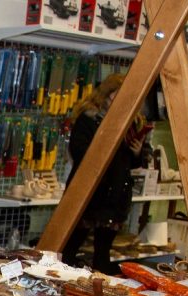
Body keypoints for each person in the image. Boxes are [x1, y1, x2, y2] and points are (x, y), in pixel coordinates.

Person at [62, 72, 148, 273]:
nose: (119, 101)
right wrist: (105, 143)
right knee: (70, 247)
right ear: (107, 94)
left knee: (102, 253)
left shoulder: (132, 122)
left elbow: (132, 162)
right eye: (116, 95)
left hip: (115, 194)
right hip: (89, 192)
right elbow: (79, 152)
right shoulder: (88, 119)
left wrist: (137, 152)